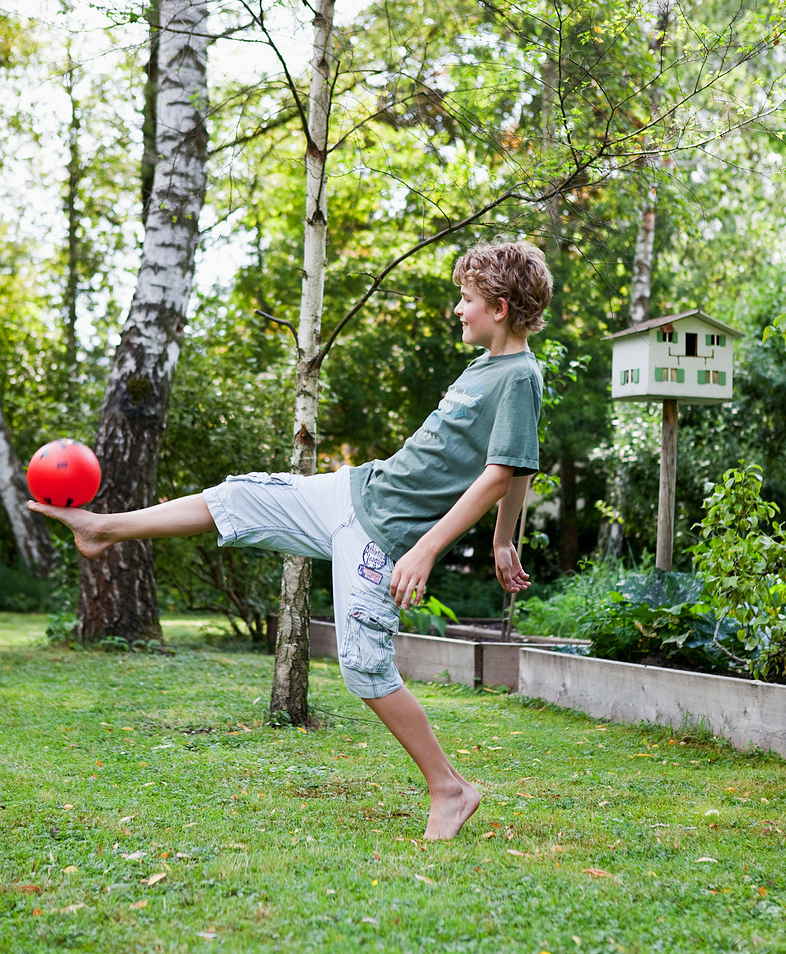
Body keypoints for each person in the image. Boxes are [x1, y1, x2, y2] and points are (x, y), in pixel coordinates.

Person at [28, 237, 553, 840]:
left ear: (500, 307)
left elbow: (503, 471)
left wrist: (434, 547)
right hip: (356, 490)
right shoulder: (485, 366)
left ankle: (450, 789)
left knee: (363, 665)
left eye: (466, 299)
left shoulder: (519, 375)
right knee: (242, 496)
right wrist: (502, 542)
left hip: (383, 536)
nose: (458, 310)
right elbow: (511, 465)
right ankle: (102, 529)